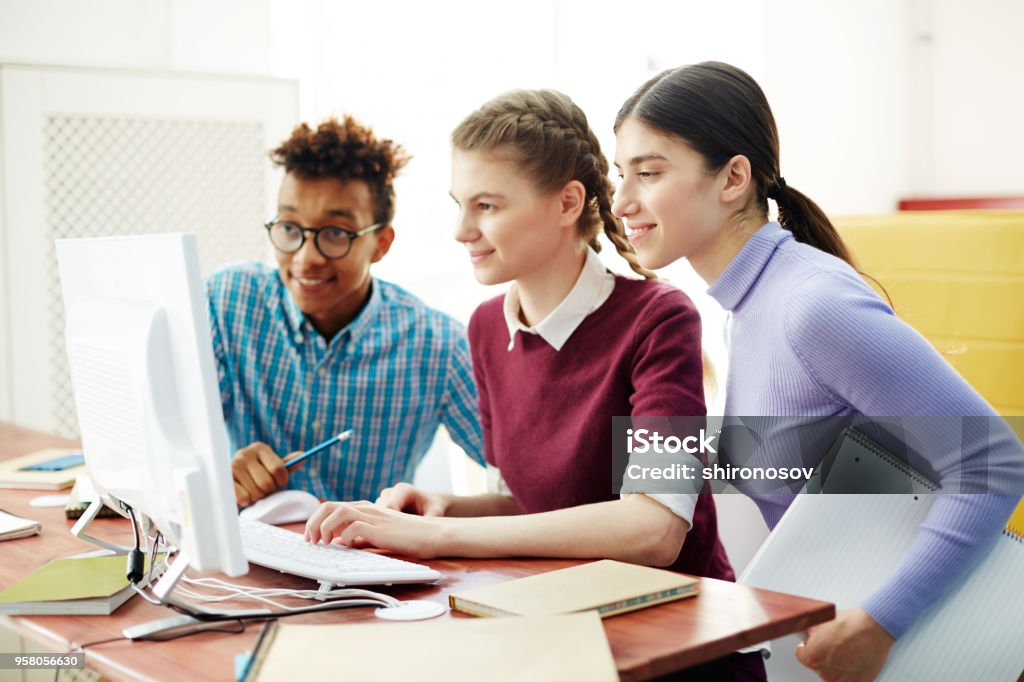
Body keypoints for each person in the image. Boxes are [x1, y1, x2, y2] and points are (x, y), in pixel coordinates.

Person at [305, 90, 767, 681]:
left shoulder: (659, 318)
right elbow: (535, 503)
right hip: (565, 634)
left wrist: (434, 534)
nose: (462, 230)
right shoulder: (485, 327)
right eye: (460, 205)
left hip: (680, 651)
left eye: (488, 206)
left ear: (567, 202)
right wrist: (449, 508)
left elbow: (653, 527)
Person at [611, 61, 1024, 681]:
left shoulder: (811, 306)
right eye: (622, 175)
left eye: (648, 173)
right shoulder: (745, 306)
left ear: (733, 179)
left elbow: (994, 463)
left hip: (913, 646)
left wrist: (879, 622)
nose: (621, 202)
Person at [206, 115, 484, 506]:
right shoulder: (227, 301)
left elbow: (520, 475)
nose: (305, 259)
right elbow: (167, 443)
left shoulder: (436, 344)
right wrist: (215, 473)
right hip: (246, 554)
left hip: (364, 560)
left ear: (381, 243)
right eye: (289, 228)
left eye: (335, 234)